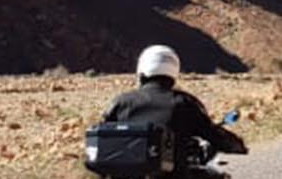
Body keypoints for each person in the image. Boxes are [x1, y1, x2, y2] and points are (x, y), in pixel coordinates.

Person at [102, 45, 247, 169]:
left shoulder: (120, 102)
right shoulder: (184, 102)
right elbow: (211, 133)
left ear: (141, 70)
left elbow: (104, 134)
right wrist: (235, 144)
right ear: (174, 70)